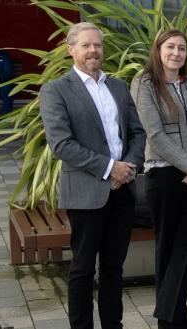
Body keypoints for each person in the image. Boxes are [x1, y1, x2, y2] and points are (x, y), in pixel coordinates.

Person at [38, 22, 146, 329]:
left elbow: (138, 134)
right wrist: (111, 168)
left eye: (97, 45)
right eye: (85, 45)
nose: (93, 50)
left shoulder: (119, 87)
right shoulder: (56, 90)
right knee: (83, 269)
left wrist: (128, 168)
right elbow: (61, 144)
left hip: (122, 192)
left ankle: (114, 325)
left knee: (114, 267)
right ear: (71, 49)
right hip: (87, 194)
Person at [130, 29, 187, 329]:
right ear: (158, 49)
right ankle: (171, 318)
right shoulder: (144, 84)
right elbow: (156, 134)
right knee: (168, 246)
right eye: (171, 47)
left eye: (182, 48)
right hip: (164, 175)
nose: (177, 53)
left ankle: (174, 315)